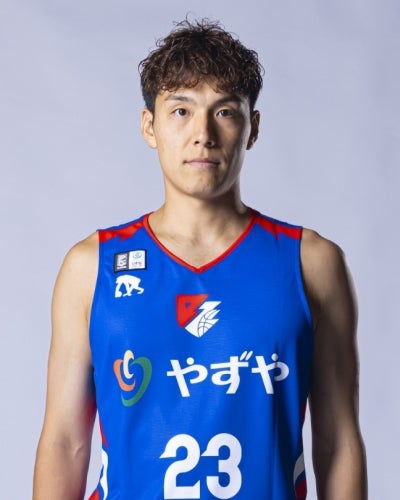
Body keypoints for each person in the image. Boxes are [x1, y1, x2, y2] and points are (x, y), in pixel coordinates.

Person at [33, 19, 367, 499]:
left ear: (252, 128)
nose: (202, 134)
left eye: (224, 111)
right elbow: (65, 442)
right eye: (181, 110)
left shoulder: (311, 263)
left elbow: (338, 442)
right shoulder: (92, 266)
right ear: (149, 126)